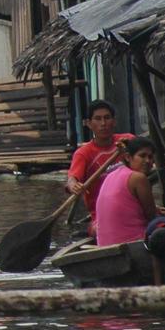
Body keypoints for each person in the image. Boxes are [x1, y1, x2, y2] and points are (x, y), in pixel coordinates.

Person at [66, 99, 134, 235]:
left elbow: (146, 162)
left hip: (133, 207)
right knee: (101, 229)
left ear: (114, 121)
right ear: (88, 124)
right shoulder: (83, 153)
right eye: (98, 119)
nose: (103, 124)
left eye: (107, 118)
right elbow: (72, 179)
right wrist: (74, 185)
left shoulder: (128, 141)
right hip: (102, 215)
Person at [94, 137, 163, 247]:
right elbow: (151, 216)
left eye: (150, 157)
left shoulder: (110, 175)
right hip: (133, 243)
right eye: (142, 156)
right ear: (128, 157)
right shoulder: (138, 178)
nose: (148, 161)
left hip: (104, 244)